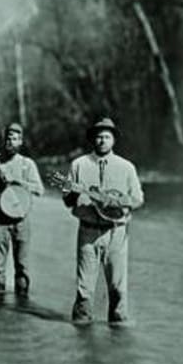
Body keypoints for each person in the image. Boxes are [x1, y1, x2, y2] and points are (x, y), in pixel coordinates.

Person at [62, 117, 144, 326]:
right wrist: (72, 192)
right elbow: (67, 201)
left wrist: (113, 200)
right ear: (93, 139)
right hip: (87, 232)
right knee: (84, 289)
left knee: (117, 287)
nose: (102, 140)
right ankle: (81, 336)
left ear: (113, 140)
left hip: (116, 233)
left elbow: (137, 199)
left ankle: (117, 338)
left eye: (107, 136)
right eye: (98, 137)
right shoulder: (78, 164)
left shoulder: (126, 167)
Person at [0, 123, 43, 297]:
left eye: (15, 139)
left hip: (21, 220)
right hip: (0, 222)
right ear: (4, 140)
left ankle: (22, 308)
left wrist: (17, 180)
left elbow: (40, 189)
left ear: (21, 142)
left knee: (22, 266)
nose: (11, 142)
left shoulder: (27, 164)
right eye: (8, 138)